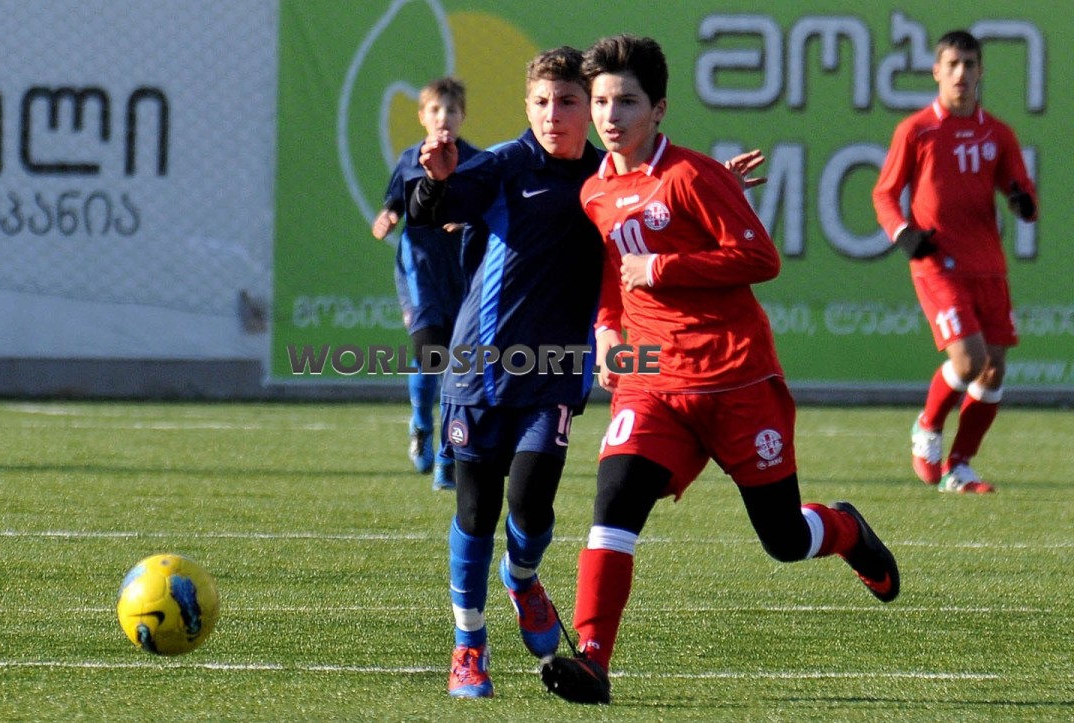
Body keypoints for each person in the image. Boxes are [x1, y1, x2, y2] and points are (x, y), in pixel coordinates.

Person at [539, 35, 901, 705]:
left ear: (659, 109)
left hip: (736, 381)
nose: (611, 116)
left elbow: (761, 258)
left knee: (784, 538)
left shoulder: (693, 176)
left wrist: (664, 267)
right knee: (613, 507)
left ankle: (846, 528)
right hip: (652, 382)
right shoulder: (595, 190)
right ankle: (592, 659)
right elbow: (615, 275)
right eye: (602, 102)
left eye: (627, 101)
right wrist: (609, 331)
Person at [406, 46, 605, 698]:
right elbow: (430, 210)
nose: (553, 114)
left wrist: (714, 189)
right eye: (542, 102)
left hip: (555, 375)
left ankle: (521, 577)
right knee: (476, 509)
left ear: (589, 108)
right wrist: (434, 182)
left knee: (531, 503)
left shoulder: (608, 177)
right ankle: (469, 645)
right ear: (527, 105)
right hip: (477, 373)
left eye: (568, 101)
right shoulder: (502, 165)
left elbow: (667, 205)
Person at [872, 30, 1037, 494]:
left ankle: (959, 467)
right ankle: (928, 425)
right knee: (969, 361)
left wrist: (1023, 202)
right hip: (937, 262)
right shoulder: (917, 130)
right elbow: (884, 194)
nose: (961, 73)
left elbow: (1021, 190)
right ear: (937, 71)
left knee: (994, 368)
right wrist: (904, 234)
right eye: (953, 64)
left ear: (981, 71)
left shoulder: (998, 133)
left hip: (988, 265)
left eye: (969, 64)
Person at [372, 78, 480, 490]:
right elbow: (394, 203)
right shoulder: (409, 160)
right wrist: (388, 217)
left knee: (461, 367)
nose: (443, 117)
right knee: (431, 352)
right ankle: (422, 425)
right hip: (419, 273)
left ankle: (449, 456)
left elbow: (488, 211)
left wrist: (469, 220)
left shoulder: (476, 162)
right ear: (422, 116)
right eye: (435, 110)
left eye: (451, 110)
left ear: (462, 116)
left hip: (464, 275)